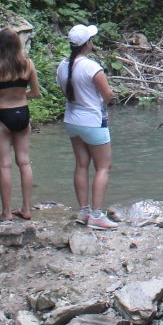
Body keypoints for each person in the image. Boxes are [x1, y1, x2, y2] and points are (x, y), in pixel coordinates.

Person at [58, 23, 116, 230]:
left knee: (81, 165)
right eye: (91, 39)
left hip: (72, 120)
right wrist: (104, 102)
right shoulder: (92, 67)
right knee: (103, 167)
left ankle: (84, 211)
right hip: (93, 121)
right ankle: (97, 215)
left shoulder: (62, 66)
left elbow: (66, 92)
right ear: (87, 44)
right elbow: (107, 95)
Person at [0, 27, 40, 222]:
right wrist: (19, 95)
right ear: (18, 44)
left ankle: (6, 213)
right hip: (22, 113)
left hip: (2, 114)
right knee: (24, 162)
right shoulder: (28, 64)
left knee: (5, 165)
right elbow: (35, 93)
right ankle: (26, 209)